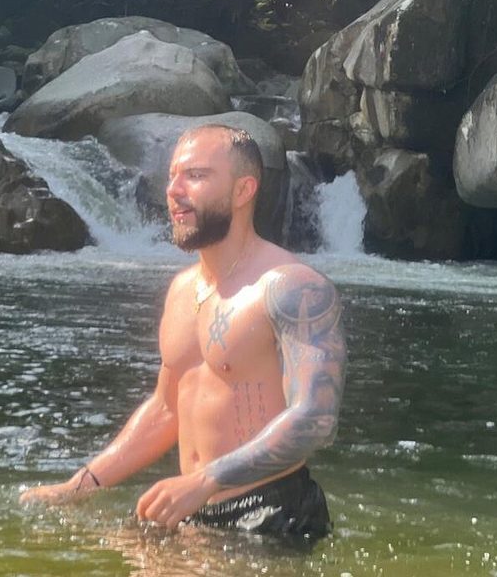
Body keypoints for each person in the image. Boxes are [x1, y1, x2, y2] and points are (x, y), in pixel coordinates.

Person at [20, 124, 347, 541]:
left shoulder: (292, 287)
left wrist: (207, 479)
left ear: (243, 190)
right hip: (191, 505)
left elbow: (316, 418)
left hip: (269, 512)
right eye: (172, 176)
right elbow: (166, 408)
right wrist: (80, 485)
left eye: (195, 175)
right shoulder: (181, 290)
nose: (174, 190)